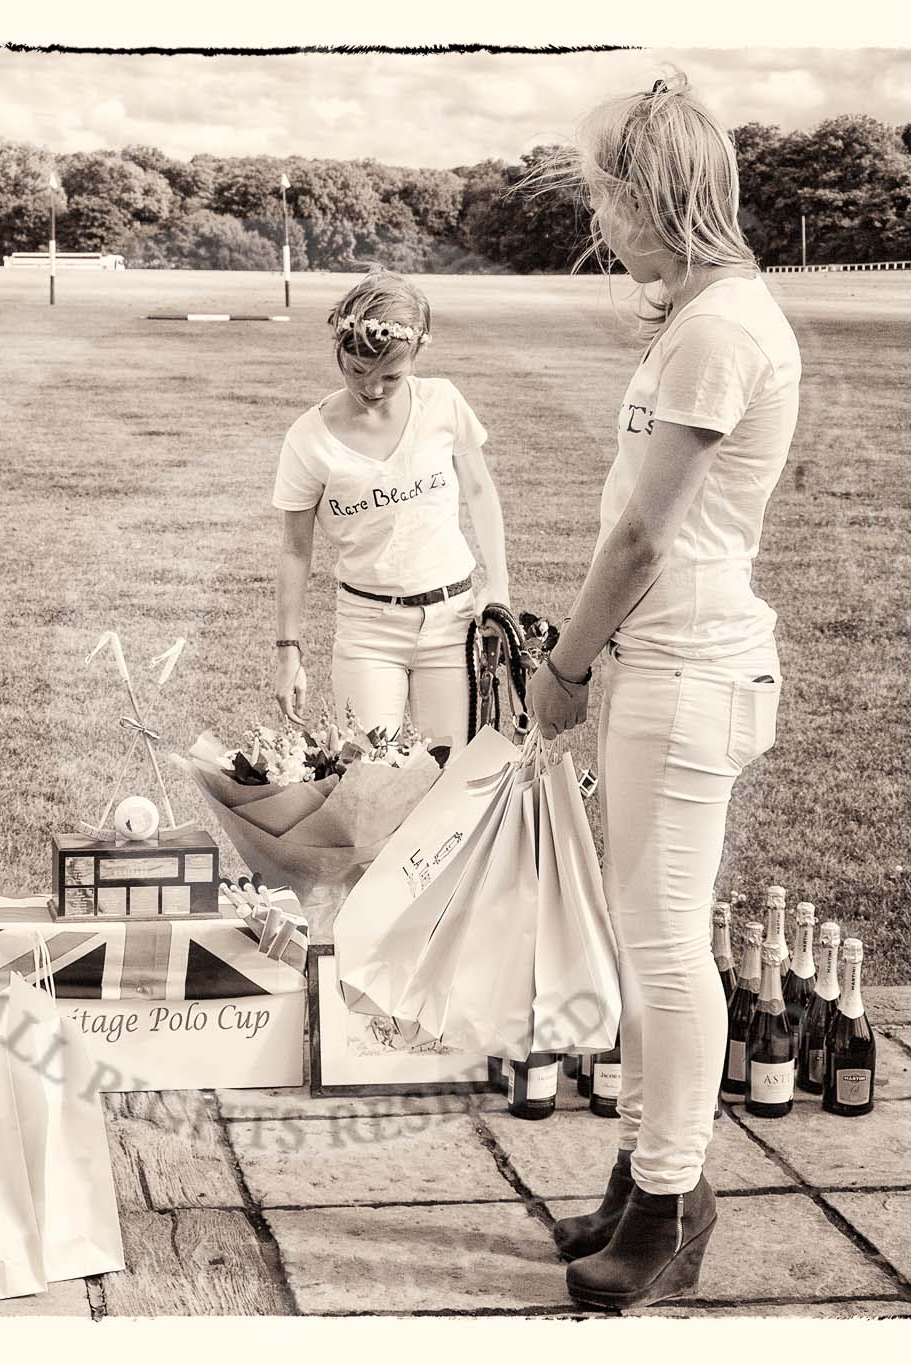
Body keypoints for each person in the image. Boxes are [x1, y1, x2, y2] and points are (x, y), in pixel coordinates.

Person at [524, 72, 801, 1310]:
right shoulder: (700, 320)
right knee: (645, 943)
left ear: (654, 197)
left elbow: (641, 539)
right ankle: (643, 1182)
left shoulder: (719, 331)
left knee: (665, 949)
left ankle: (672, 1202)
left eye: (604, 194)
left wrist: (563, 669)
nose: (596, 218)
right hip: (664, 663)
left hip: (683, 669)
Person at [271, 268, 511, 749]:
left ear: (417, 354)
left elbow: (480, 490)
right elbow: (296, 550)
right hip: (368, 629)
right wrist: (288, 650)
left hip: (453, 620)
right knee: (368, 775)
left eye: (391, 377)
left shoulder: (443, 402)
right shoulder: (307, 439)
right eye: (357, 371)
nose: (373, 389)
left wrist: (499, 583)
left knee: (449, 772)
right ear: (340, 350)